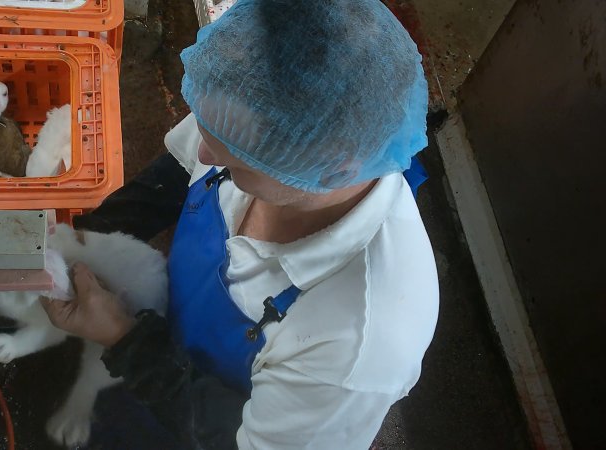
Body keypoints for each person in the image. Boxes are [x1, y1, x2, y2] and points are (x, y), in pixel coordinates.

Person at [40, 0, 439, 448]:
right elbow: (177, 170)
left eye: (236, 158)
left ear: (332, 169)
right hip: (157, 344)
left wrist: (124, 340)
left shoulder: (358, 344)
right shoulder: (251, 109)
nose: (206, 157)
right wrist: (79, 242)